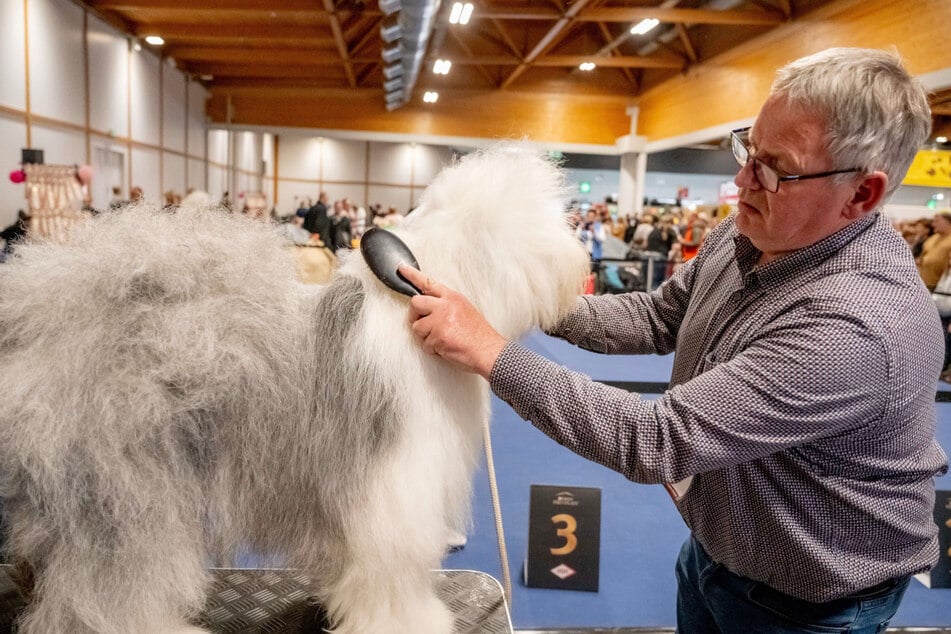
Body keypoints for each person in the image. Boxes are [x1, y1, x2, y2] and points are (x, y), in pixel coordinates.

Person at [398, 47, 948, 633]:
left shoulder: (855, 328)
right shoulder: (748, 238)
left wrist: (490, 349)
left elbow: (657, 439)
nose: (740, 182)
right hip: (721, 551)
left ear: (861, 194)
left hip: (807, 602)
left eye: (773, 168)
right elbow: (658, 316)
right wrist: (520, 295)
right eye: (746, 149)